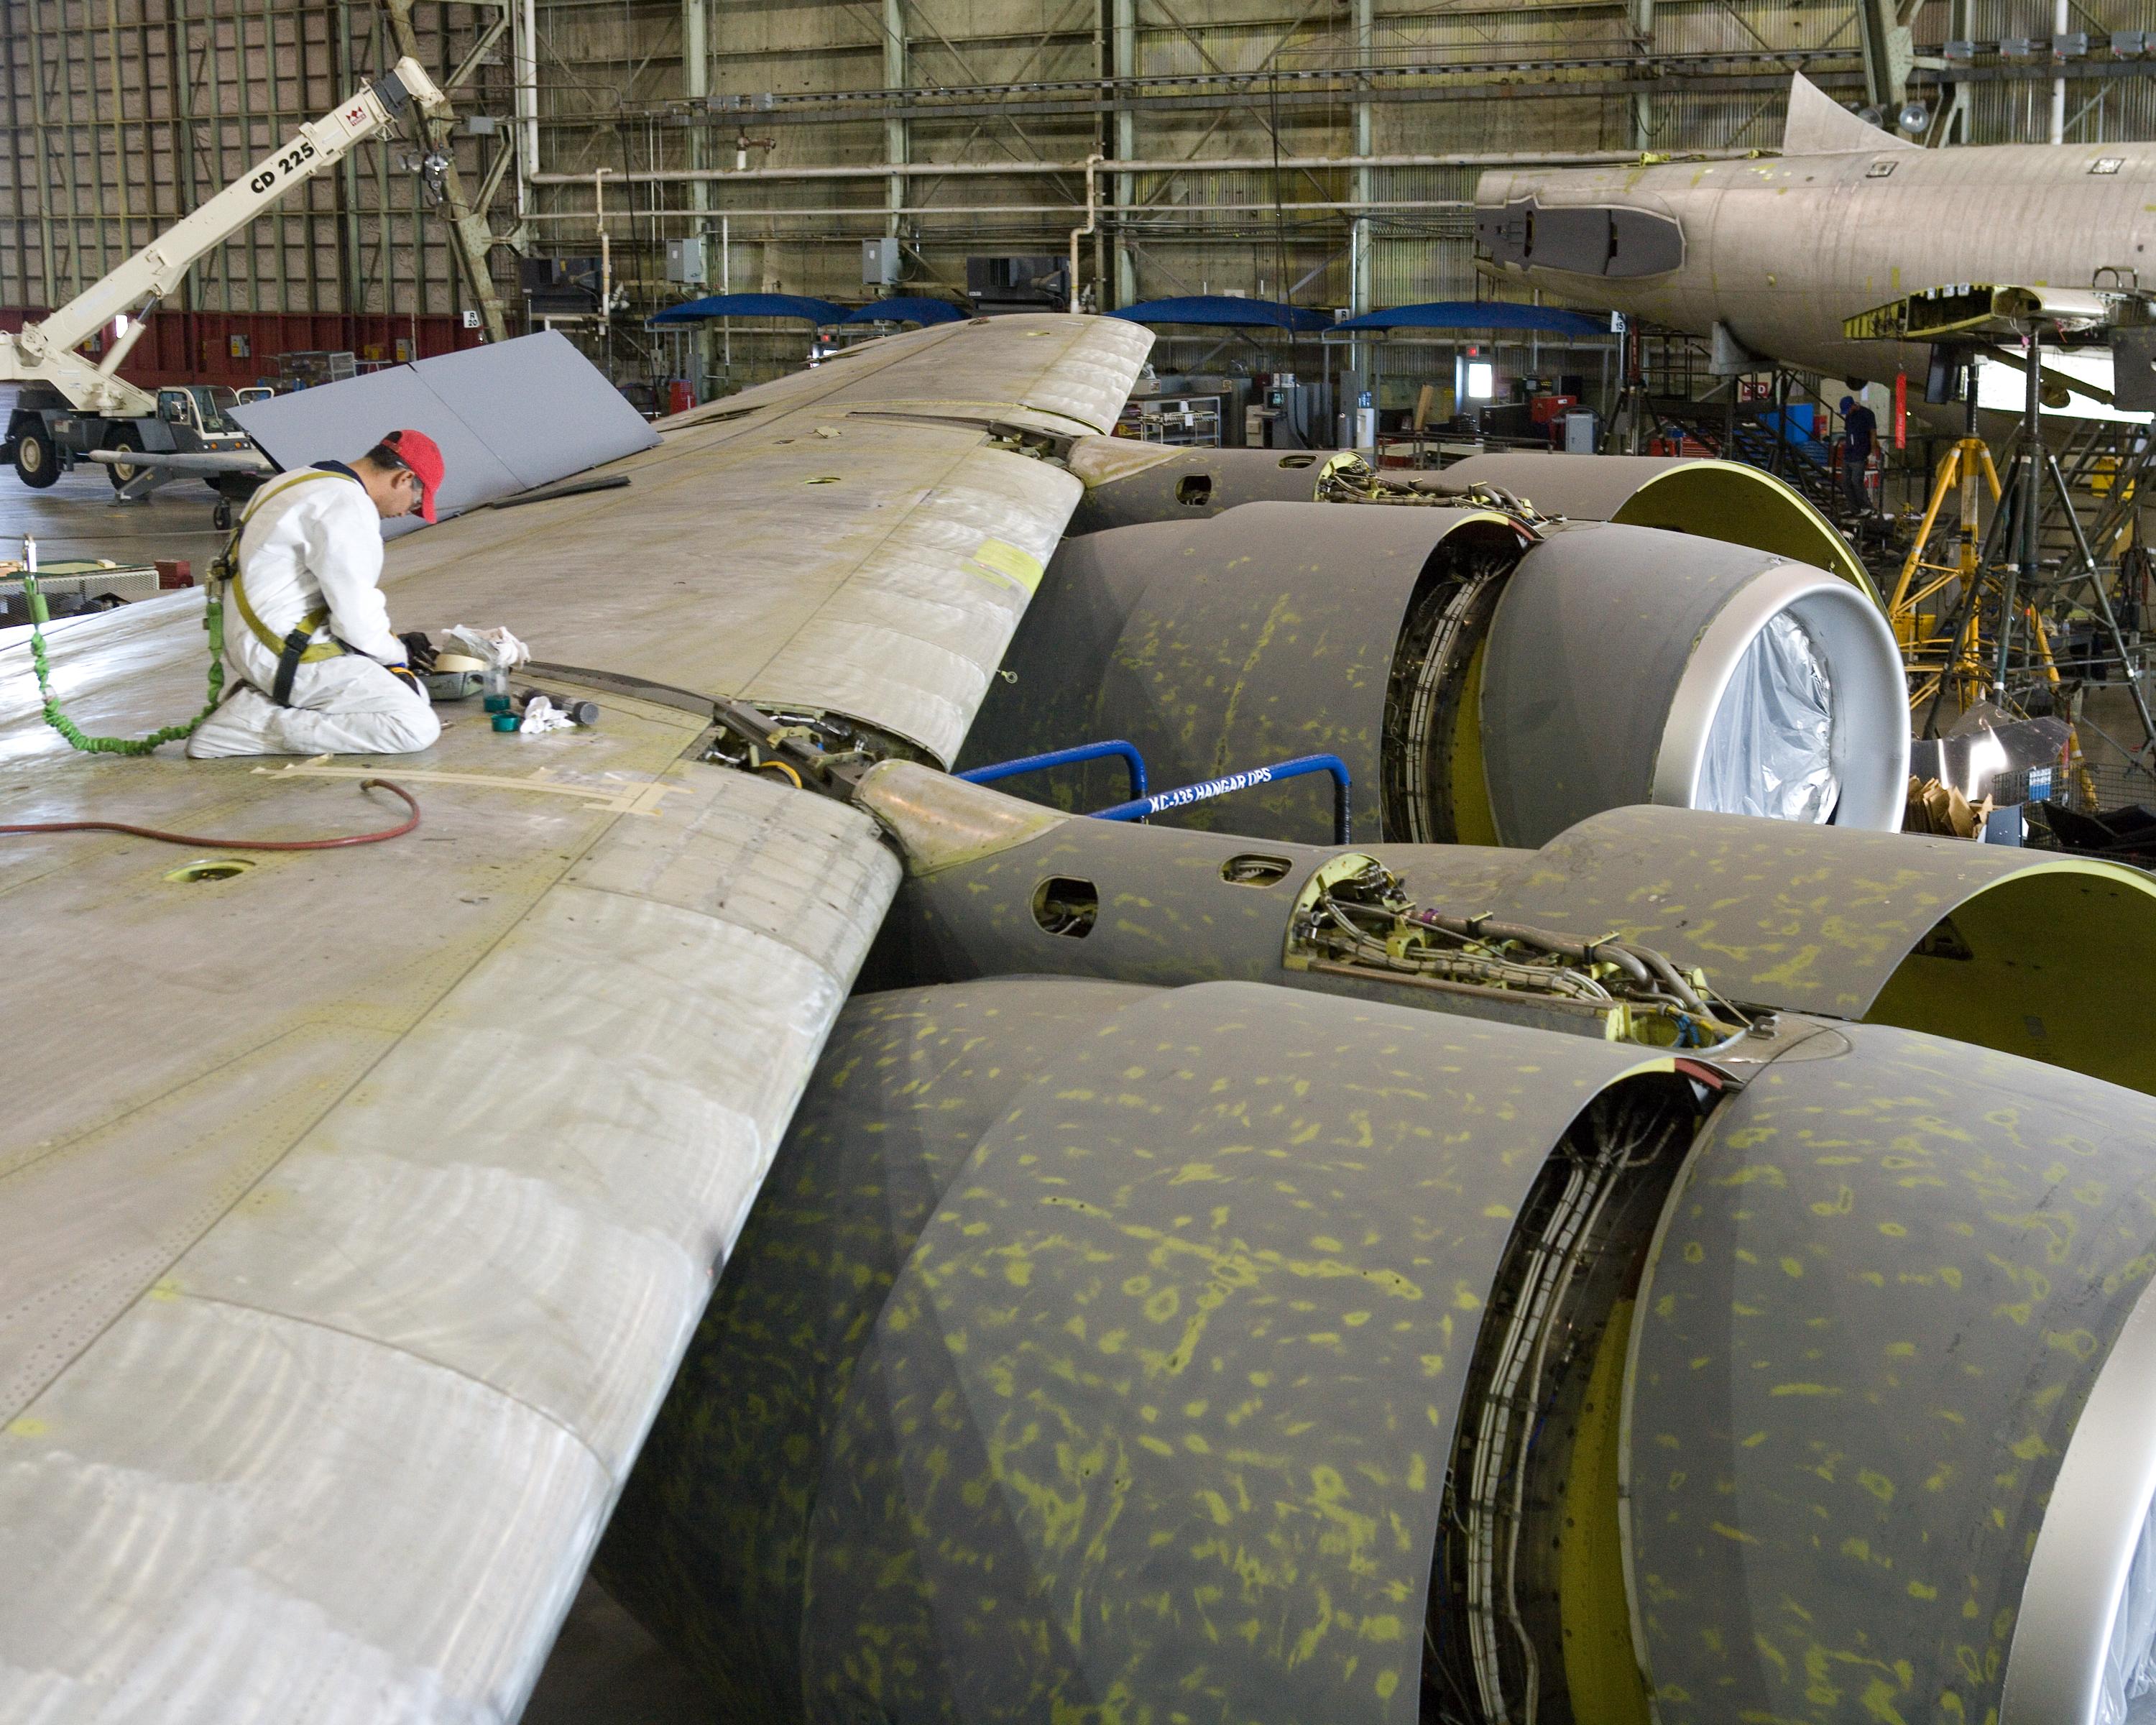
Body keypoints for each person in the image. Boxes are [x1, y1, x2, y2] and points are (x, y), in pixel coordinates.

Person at [187, 429, 447, 758]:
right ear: (404, 478)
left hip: (258, 642)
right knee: (414, 724)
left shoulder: (296, 482)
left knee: (410, 692)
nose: (405, 512)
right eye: (415, 503)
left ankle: (261, 703)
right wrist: (397, 658)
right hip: (286, 653)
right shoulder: (347, 503)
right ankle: (252, 728)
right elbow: (356, 619)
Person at [1839, 393, 1877, 517]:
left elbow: (1872, 433)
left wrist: (1872, 451)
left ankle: (1867, 507)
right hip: (1849, 454)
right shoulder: (1849, 417)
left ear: (1853, 406)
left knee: (1857, 481)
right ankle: (1854, 508)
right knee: (1845, 482)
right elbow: (1849, 433)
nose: (1847, 413)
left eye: (1848, 410)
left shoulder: (1867, 414)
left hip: (1860, 453)